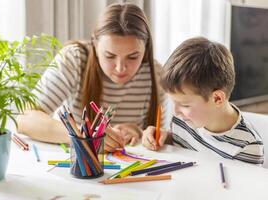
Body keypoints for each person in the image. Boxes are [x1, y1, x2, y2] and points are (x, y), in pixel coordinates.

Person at [17, 3, 168, 152]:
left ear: (146, 47)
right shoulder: (74, 59)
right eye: (109, 56)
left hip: (128, 167)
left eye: (133, 57)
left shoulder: (155, 73)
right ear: (94, 44)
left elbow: (158, 136)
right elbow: (24, 120)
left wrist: (139, 132)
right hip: (77, 163)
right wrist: (85, 135)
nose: (120, 68)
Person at [142, 37, 264, 165]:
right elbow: (184, 146)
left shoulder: (247, 147)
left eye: (185, 105)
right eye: (173, 102)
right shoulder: (183, 120)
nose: (175, 111)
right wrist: (163, 137)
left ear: (217, 98)